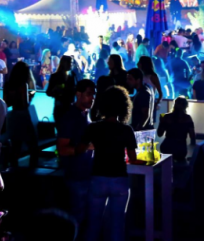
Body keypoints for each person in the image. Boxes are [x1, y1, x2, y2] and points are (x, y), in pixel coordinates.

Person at [81, 86, 139, 241]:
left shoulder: (93, 127)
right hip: (119, 179)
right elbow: (132, 158)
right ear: (124, 107)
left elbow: (81, 148)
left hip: (98, 177)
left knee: (93, 224)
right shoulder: (126, 130)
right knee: (117, 224)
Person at [57, 79, 96, 225]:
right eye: (89, 94)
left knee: (86, 218)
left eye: (94, 94)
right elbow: (62, 148)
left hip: (87, 174)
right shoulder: (70, 117)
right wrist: (86, 147)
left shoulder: (86, 114)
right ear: (78, 94)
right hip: (76, 176)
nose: (92, 97)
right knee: (77, 219)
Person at [157, 96, 195, 162]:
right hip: (180, 149)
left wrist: (161, 122)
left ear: (174, 105)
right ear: (186, 106)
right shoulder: (187, 118)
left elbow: (160, 134)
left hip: (167, 147)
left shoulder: (166, 117)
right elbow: (192, 136)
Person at [47, 56, 78, 125]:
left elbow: (76, 89)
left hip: (70, 108)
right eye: (70, 62)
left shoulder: (73, 75)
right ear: (64, 63)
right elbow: (48, 92)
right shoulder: (55, 76)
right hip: (60, 108)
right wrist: (55, 91)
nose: (71, 64)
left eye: (72, 63)